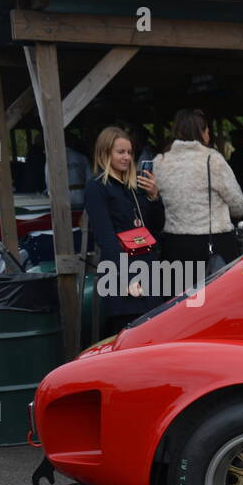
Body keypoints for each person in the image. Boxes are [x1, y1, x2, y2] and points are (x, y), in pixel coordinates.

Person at [82, 125, 166, 334]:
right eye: (120, 152)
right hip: (120, 269)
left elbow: (156, 227)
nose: (127, 157)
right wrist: (126, 278)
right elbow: (105, 237)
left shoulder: (135, 185)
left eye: (129, 152)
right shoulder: (97, 187)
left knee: (153, 333)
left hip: (147, 265)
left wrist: (155, 197)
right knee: (127, 333)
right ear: (105, 152)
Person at [151, 108, 243, 267]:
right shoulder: (212, 159)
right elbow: (239, 206)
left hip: (174, 246)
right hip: (213, 245)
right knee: (217, 292)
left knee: (180, 292)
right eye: (208, 131)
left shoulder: (159, 161)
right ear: (202, 132)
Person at [45, 130, 91, 209]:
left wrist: (51, 194)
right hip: (80, 194)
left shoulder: (52, 161)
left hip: (61, 195)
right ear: (72, 142)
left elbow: (49, 180)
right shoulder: (82, 158)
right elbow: (89, 178)